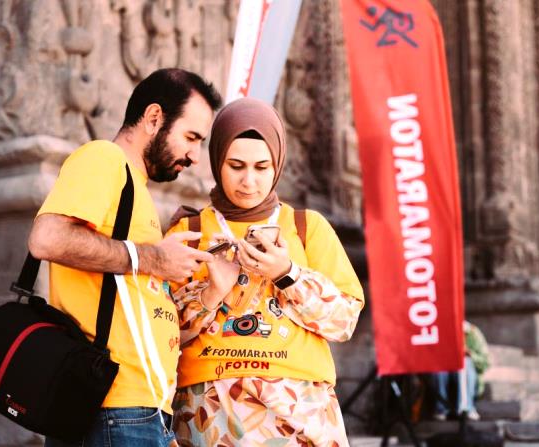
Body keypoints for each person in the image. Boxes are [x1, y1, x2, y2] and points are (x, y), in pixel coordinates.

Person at [28, 68, 222, 447]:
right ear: (153, 118)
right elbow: (46, 238)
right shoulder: (104, 159)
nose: (195, 156)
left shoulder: (136, 187)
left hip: (138, 408)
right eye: (191, 137)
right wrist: (152, 258)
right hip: (114, 408)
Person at [166, 98, 365, 446]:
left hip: (300, 407)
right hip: (211, 406)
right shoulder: (190, 229)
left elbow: (344, 320)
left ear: (278, 164)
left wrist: (287, 274)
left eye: (262, 167)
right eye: (236, 165)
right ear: (216, 162)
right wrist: (210, 294)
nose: (249, 181)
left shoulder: (307, 227)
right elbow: (160, 332)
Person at [431, 320, 490, 421]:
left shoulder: (472, 333)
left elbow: (485, 363)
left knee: (465, 362)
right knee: (438, 364)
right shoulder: (439, 331)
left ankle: (466, 409)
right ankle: (441, 409)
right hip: (446, 376)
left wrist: (469, 354)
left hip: (468, 377)